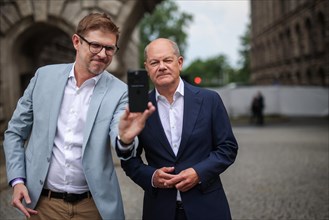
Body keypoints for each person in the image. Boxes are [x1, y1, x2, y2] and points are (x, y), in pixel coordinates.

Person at [3, 13, 154, 220]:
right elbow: (14, 133)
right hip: (41, 205)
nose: (102, 54)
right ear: (76, 42)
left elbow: (120, 140)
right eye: (95, 45)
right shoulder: (43, 77)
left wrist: (125, 139)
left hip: (93, 207)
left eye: (109, 48)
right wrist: (18, 180)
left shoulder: (120, 92)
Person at [117, 38, 238, 220]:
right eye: (154, 62)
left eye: (167, 60)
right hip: (159, 210)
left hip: (207, 207)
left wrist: (199, 173)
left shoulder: (209, 100)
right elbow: (129, 160)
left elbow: (227, 148)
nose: (162, 66)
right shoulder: (139, 108)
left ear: (179, 62)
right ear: (147, 68)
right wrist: (152, 177)